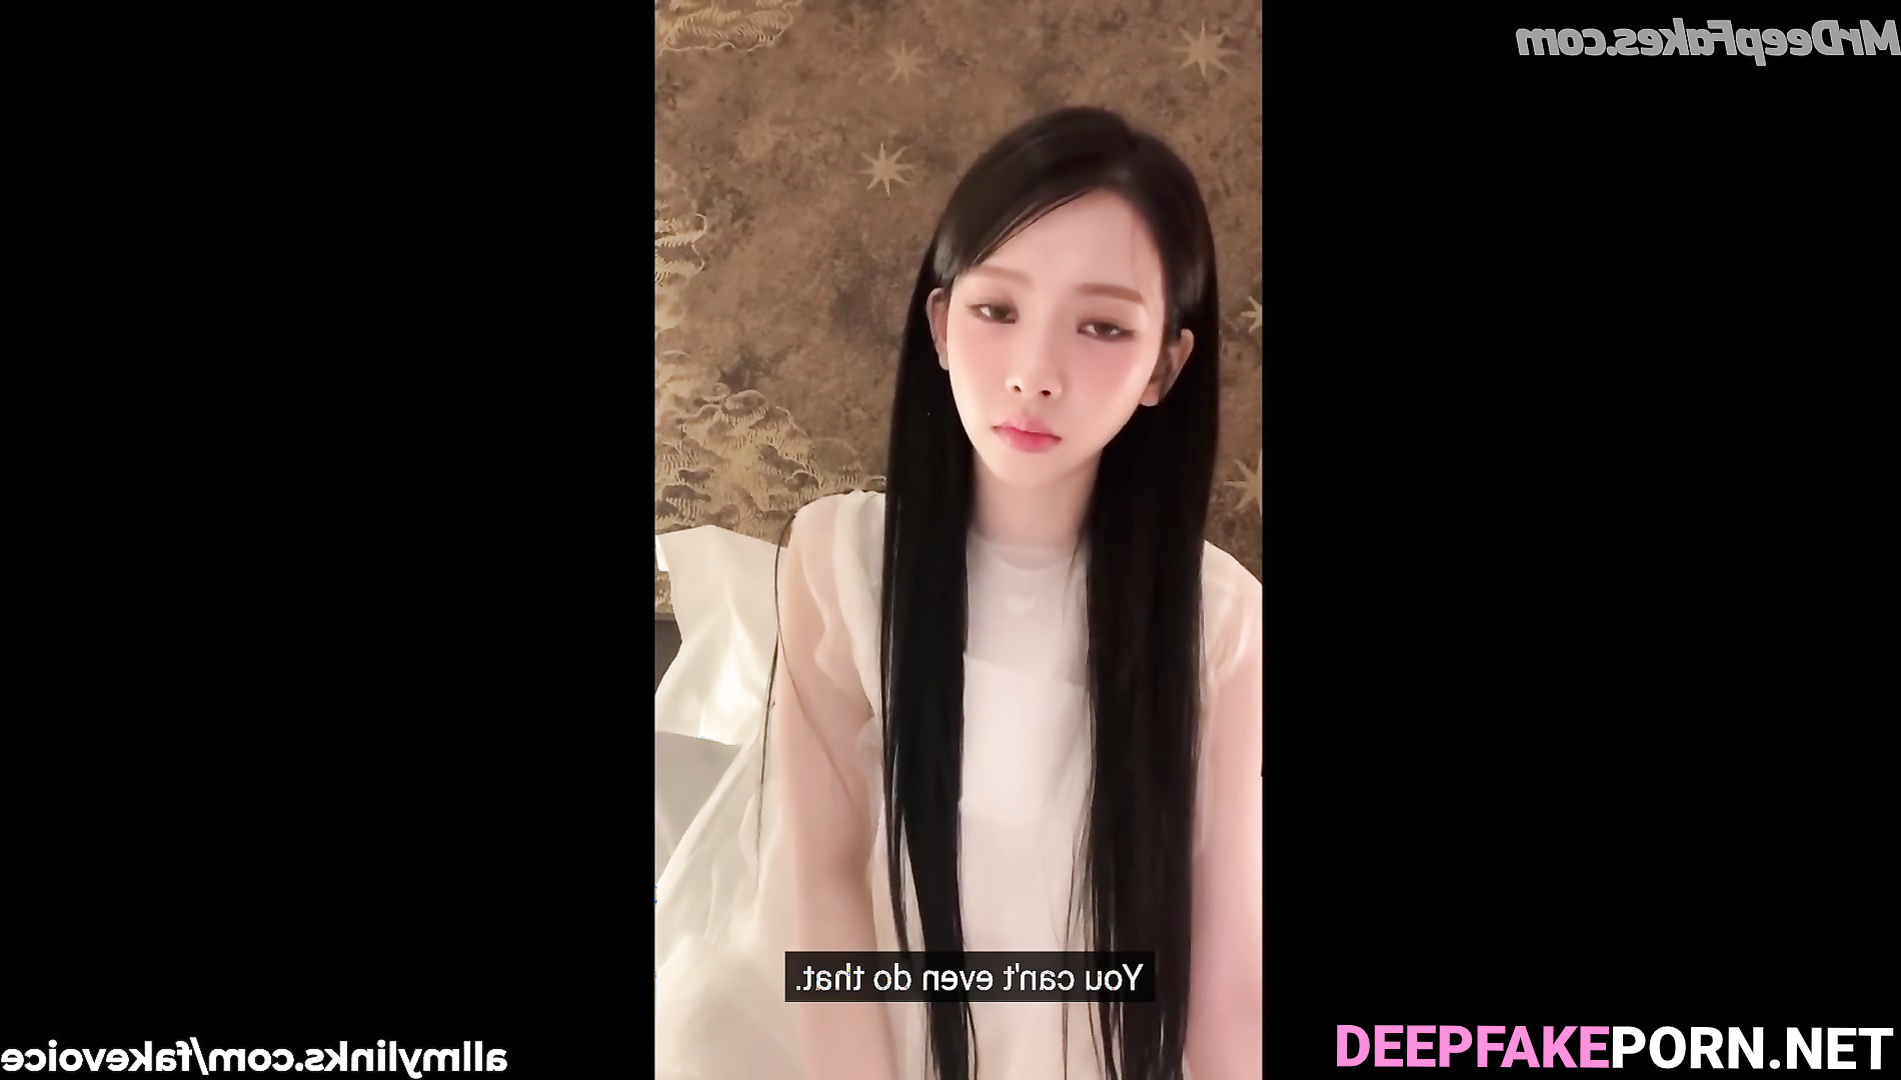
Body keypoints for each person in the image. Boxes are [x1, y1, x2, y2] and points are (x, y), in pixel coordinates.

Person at [654, 105, 1262, 1080]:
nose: (1034, 374)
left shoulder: (1219, 619)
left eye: (1102, 327)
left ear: (1164, 366)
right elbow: (823, 878)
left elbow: (1223, 967)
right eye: (996, 310)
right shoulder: (840, 557)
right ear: (938, 324)